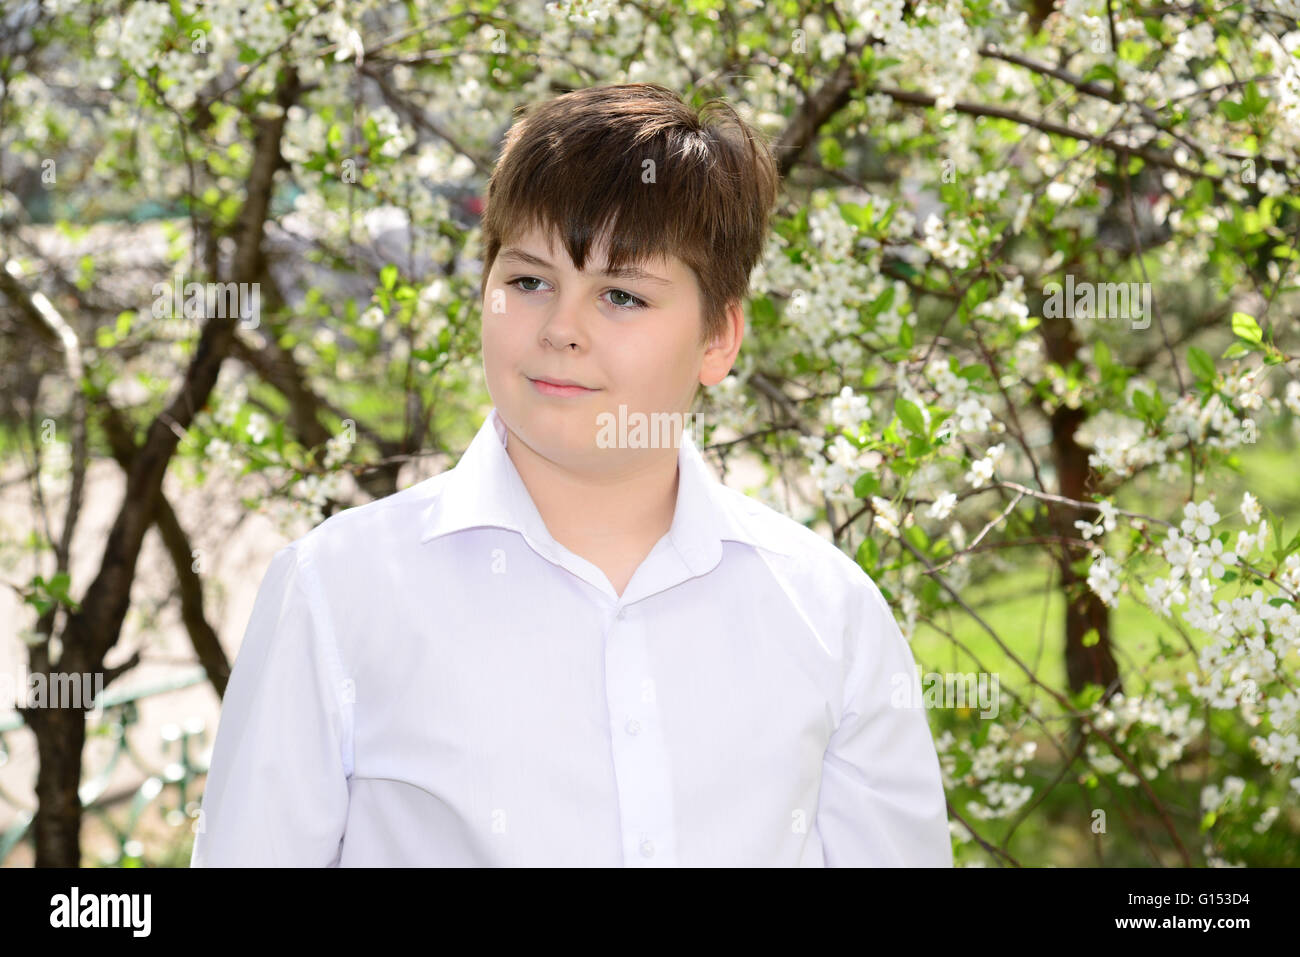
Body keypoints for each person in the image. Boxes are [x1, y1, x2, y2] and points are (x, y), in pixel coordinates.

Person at [191, 83, 952, 867]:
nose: (561, 328)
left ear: (719, 337)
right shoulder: (337, 593)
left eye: (621, 295)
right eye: (528, 282)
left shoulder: (829, 614)